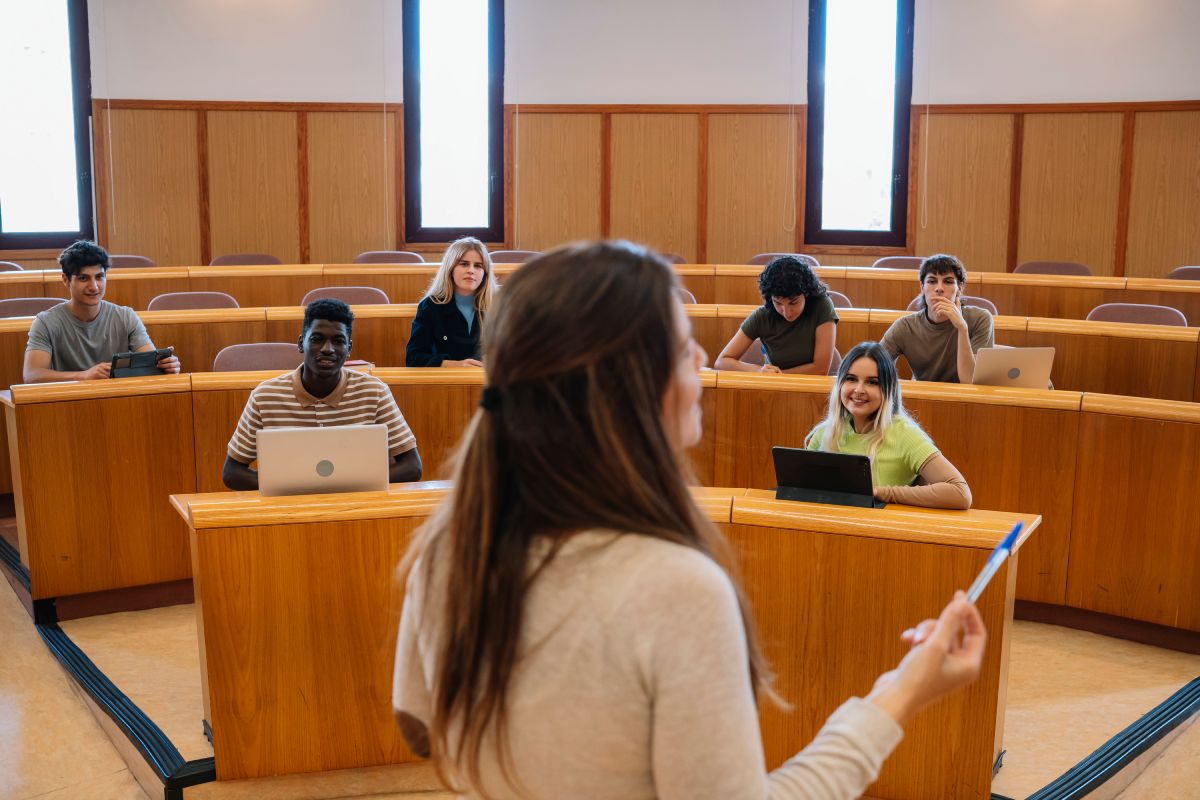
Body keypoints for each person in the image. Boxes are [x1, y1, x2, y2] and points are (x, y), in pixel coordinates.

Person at [392, 242, 985, 798]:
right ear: (629, 386)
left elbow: (419, 728)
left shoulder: (451, 542)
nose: (704, 358)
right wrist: (900, 693)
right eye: (682, 347)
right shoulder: (677, 587)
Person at [222, 299, 421, 490]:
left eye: (338, 341)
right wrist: (288, 486)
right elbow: (232, 472)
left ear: (349, 348)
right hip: (288, 510)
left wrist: (348, 486)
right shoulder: (265, 396)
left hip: (356, 507)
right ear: (301, 344)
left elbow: (413, 466)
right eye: (317, 339)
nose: (328, 349)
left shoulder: (375, 392)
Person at [806, 341, 972, 510]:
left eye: (872, 382)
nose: (859, 389)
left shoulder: (904, 434)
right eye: (851, 379)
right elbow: (799, 487)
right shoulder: (825, 431)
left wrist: (884, 493)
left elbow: (960, 492)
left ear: (888, 390)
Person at [23, 240, 182, 383]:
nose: (94, 287)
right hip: (68, 405)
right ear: (66, 280)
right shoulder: (46, 322)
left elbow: (150, 362)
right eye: (83, 278)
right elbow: (32, 375)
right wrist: (83, 375)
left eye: (99, 277)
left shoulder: (125, 316)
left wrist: (166, 365)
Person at [880, 254, 994, 383]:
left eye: (948, 281)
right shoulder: (905, 326)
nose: (939, 288)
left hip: (964, 400)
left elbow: (970, 382)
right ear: (922, 288)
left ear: (959, 289)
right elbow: (875, 367)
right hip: (923, 397)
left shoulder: (981, 319)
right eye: (932, 281)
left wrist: (962, 328)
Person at [715, 255, 838, 374]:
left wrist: (780, 375)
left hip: (812, 388)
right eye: (778, 303)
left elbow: (821, 368)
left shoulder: (822, 305)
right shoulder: (762, 316)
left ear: (806, 293)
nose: (786, 312)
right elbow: (722, 361)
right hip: (776, 389)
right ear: (770, 298)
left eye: (793, 302)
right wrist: (758, 370)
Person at [405, 237, 498, 368]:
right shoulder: (430, 306)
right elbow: (414, 358)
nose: (471, 270)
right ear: (450, 269)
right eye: (464, 264)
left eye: (478, 266)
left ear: (485, 273)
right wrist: (456, 365)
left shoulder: (499, 305)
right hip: (445, 384)